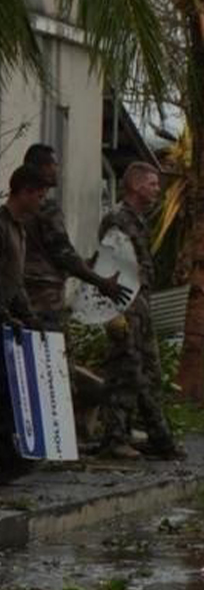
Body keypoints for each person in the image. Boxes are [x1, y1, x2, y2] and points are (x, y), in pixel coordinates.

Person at [97, 162, 184, 462]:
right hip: (123, 305)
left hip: (141, 306)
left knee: (150, 372)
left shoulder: (139, 221)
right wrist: (111, 313)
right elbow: (106, 266)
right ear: (134, 185)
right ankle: (115, 439)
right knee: (125, 372)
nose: (157, 189)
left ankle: (160, 438)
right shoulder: (117, 220)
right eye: (152, 183)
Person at [22, 145, 130, 329]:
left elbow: (49, 257)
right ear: (41, 167)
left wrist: (87, 263)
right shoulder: (45, 210)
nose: (58, 169)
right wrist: (102, 282)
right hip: (42, 303)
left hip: (23, 302)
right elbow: (64, 256)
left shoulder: (17, 208)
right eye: (54, 164)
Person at [1, 166, 48, 470]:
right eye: (40, 196)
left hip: (8, 319)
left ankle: (11, 458)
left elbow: (14, 281)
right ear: (25, 192)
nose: (42, 202)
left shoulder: (19, 228)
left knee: (8, 395)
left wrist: (30, 316)